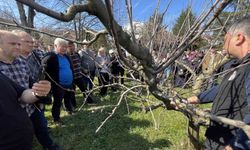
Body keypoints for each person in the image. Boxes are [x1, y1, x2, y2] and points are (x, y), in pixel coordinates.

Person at [186, 17, 250, 150]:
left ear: (239, 38)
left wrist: (237, 144)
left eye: (225, 38)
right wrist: (197, 98)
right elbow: (223, 88)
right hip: (217, 138)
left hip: (229, 142)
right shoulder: (238, 65)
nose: (222, 43)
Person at [0, 30, 51, 150]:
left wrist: (38, 93)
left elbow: (24, 89)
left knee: (41, 130)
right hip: (8, 121)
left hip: (30, 108)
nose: (18, 47)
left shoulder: (22, 62)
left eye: (18, 44)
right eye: (13, 44)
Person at [45, 38, 74, 125]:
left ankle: (69, 110)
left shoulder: (66, 56)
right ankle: (56, 119)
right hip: (58, 85)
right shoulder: (51, 57)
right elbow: (45, 69)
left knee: (68, 98)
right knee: (58, 102)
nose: (65, 48)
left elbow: (70, 68)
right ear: (55, 46)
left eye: (66, 47)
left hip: (69, 83)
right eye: (62, 46)